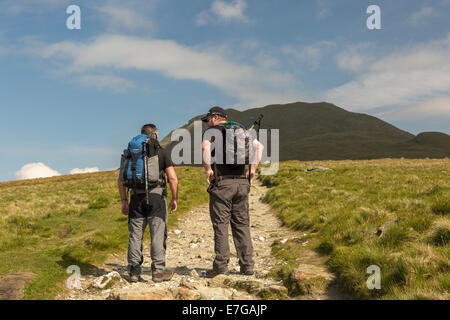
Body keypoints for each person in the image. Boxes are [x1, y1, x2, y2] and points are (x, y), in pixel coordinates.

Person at [201, 106, 264, 277]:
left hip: (222, 183)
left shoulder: (213, 131)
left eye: (207, 120)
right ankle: (247, 265)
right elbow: (259, 147)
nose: (206, 124)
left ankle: (221, 266)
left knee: (221, 225)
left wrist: (208, 170)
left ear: (215, 117)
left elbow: (205, 148)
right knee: (242, 225)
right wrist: (253, 170)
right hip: (242, 184)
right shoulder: (241, 130)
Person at [118, 124, 178, 283]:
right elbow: (172, 178)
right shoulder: (161, 151)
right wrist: (174, 198)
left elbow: (121, 180)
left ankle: (134, 272)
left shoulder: (130, 154)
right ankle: (158, 272)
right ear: (155, 136)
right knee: (157, 234)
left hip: (135, 198)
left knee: (135, 235)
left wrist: (124, 201)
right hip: (156, 198)